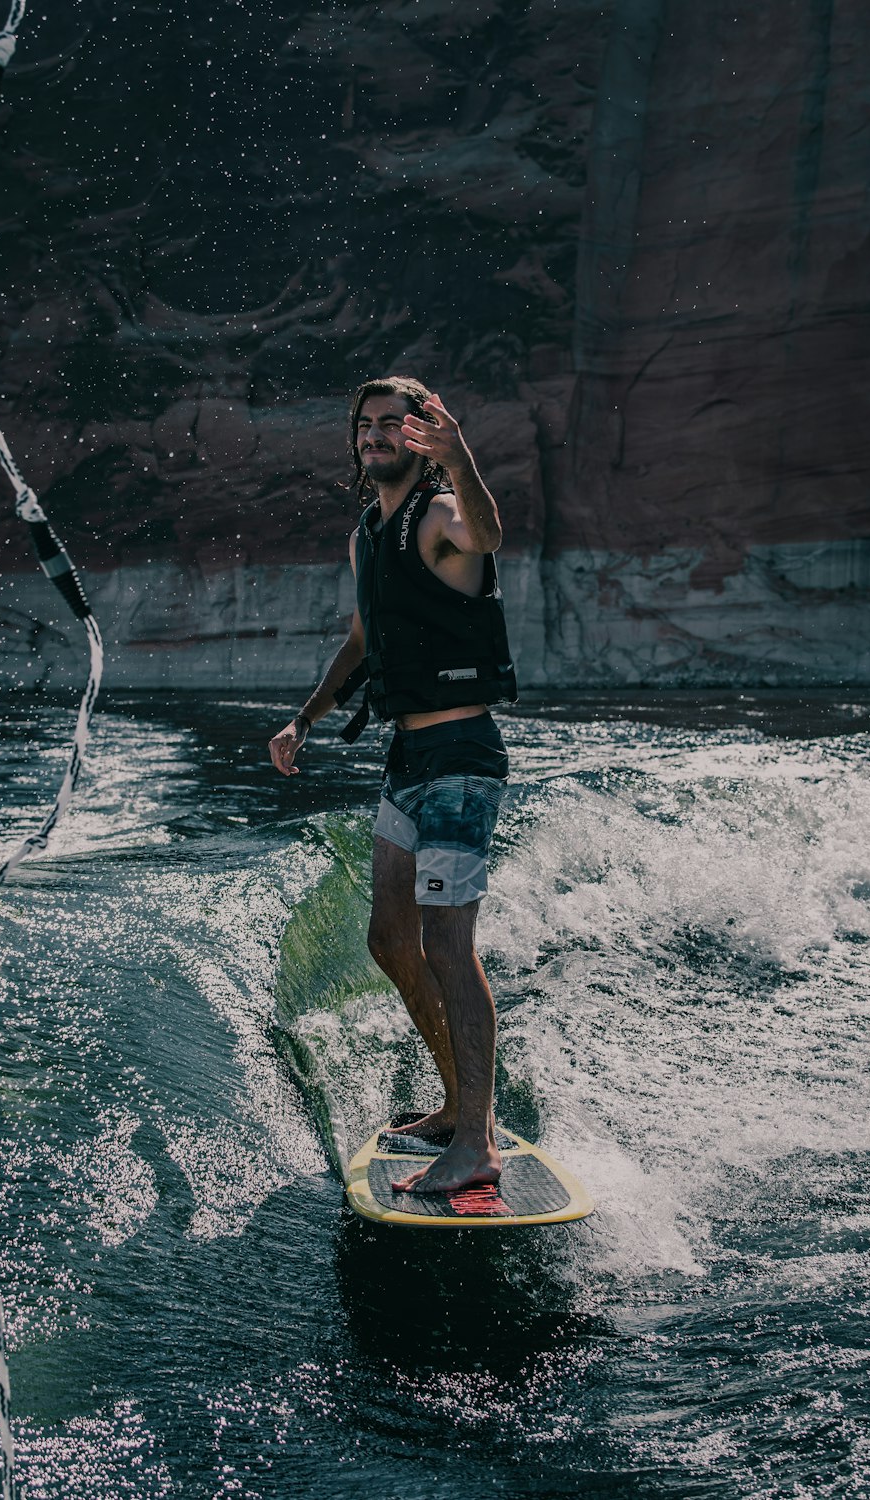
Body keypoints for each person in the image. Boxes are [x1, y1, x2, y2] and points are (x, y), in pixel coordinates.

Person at [268, 376, 518, 1194]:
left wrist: (461, 457)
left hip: (460, 758)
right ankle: (456, 1106)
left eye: (393, 424)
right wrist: (304, 719)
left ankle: (477, 1141)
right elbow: (364, 637)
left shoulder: (442, 515)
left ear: (420, 436)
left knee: (448, 944)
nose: (376, 435)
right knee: (390, 940)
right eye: (365, 425)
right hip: (407, 763)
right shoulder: (365, 535)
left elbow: (486, 534)